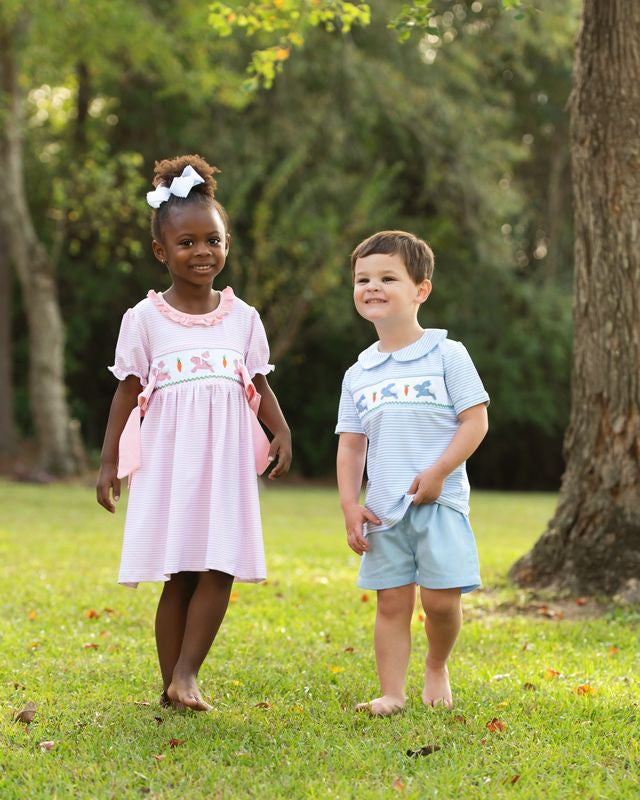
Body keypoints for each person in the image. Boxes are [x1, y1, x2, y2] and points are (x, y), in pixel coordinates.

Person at [96, 155, 291, 712]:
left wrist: (280, 432)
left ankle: (188, 674)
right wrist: (109, 461)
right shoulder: (145, 319)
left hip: (226, 463)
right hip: (170, 464)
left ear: (227, 243)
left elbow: (256, 384)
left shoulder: (243, 318)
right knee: (179, 572)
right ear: (162, 251)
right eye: (187, 243)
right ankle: (172, 687)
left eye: (213, 240)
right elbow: (126, 392)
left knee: (219, 565)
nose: (202, 252)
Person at [335, 230, 489, 715]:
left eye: (387, 277)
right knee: (392, 604)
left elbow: (475, 421)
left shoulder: (448, 354)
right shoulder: (358, 373)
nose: (372, 287)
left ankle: (437, 664)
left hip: (439, 503)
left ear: (421, 290)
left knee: (441, 603)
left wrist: (441, 470)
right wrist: (349, 505)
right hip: (383, 513)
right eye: (363, 279)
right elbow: (351, 446)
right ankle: (393, 694)